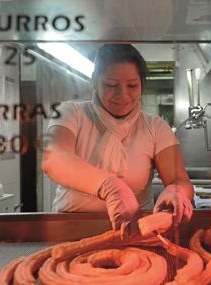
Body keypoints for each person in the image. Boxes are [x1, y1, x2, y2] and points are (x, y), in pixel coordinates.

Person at [42, 44, 194, 238]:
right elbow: (54, 159)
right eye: (111, 85)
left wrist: (176, 191)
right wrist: (109, 186)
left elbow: (179, 179)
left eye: (132, 86)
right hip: (71, 229)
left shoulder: (155, 127)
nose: (122, 95)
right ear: (94, 81)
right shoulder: (70, 113)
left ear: (142, 85)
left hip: (135, 233)